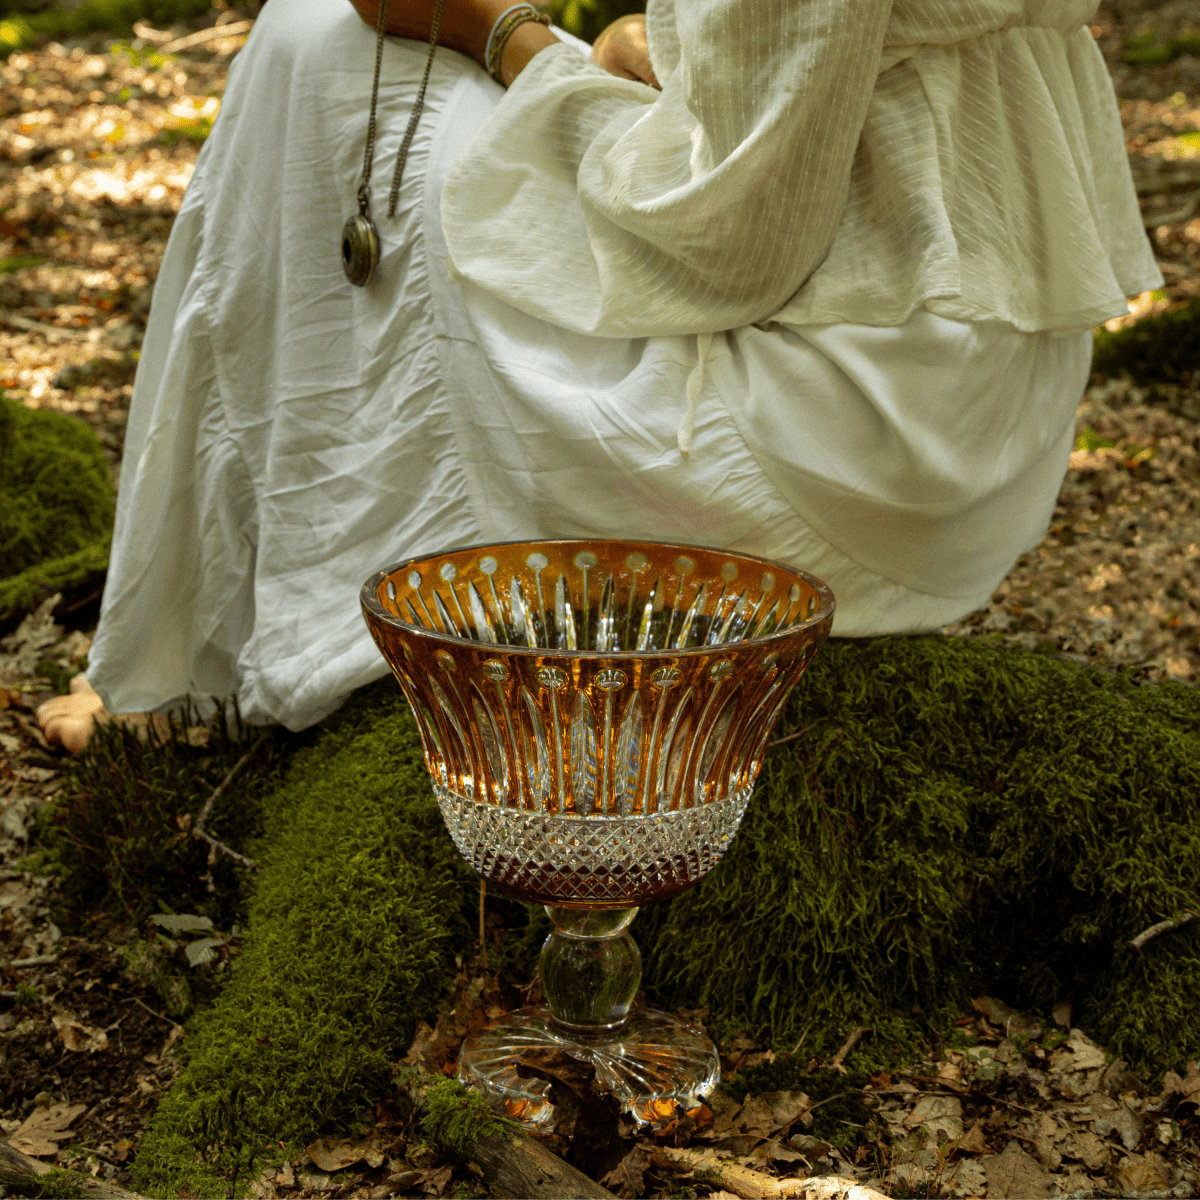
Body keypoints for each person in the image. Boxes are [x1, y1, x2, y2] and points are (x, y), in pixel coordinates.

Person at [38, 0, 1159, 752]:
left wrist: (500, 34)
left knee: (319, 42)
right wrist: (654, 47)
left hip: (829, 450)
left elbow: (722, 248)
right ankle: (217, 631)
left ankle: (199, 658)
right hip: (962, 433)